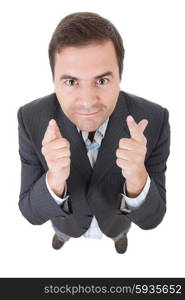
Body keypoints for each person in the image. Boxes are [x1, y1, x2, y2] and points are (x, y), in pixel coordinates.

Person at [17, 12, 170, 254]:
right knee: (62, 232)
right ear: (54, 80)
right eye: (71, 82)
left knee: (119, 232)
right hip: (68, 222)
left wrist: (138, 178)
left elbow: (153, 219)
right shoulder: (30, 118)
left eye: (101, 81)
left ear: (120, 76)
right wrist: (54, 180)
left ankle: (119, 238)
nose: (87, 102)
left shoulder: (155, 119)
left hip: (115, 222)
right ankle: (62, 237)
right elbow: (31, 213)